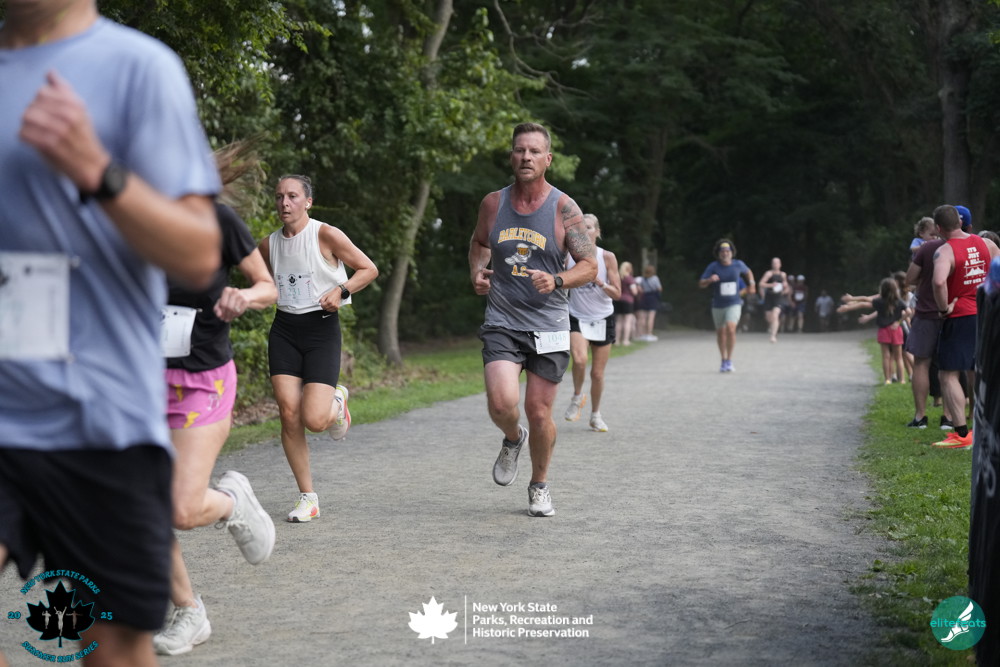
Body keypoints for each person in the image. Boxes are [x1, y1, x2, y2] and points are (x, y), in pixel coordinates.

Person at [0, 2, 222, 665]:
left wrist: (98, 170)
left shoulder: (139, 68)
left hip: (101, 420)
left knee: (114, 651)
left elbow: (199, 254)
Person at [152, 143, 278, 656]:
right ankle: (189, 612)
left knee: (182, 508)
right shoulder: (126, 222)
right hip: (139, 379)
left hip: (202, 379)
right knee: (141, 502)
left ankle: (231, 502)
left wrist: (244, 296)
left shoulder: (217, 222)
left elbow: (266, 285)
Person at [468, 122, 597, 517]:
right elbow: (479, 242)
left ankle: (539, 484)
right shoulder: (493, 204)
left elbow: (589, 266)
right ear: (512, 156)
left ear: (548, 159)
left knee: (540, 412)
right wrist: (477, 271)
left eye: (534, 151)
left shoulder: (564, 209)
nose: (526, 157)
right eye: (520, 150)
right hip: (503, 319)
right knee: (501, 402)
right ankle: (512, 437)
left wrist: (558, 279)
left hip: (550, 325)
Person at [259, 175, 378, 522]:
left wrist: (341, 291)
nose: (284, 203)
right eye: (279, 196)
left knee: (314, 419)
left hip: (321, 330)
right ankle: (307, 497)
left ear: (308, 202)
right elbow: (262, 282)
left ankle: (337, 402)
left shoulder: (325, 234)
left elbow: (369, 269)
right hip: (284, 330)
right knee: (288, 413)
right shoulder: (267, 245)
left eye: (292, 196)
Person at [929, 205, 1000, 449]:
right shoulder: (986, 244)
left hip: (960, 316)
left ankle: (961, 434)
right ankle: (987, 427)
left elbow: (939, 282)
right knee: (981, 370)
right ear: (960, 223)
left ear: (939, 228)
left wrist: (943, 309)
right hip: (987, 313)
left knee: (947, 374)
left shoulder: (945, 251)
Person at [563, 214, 621, 432]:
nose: (584, 231)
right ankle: (577, 397)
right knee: (579, 360)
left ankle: (595, 415)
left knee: (597, 373)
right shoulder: (569, 256)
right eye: (580, 227)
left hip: (603, 318)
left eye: (588, 227)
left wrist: (599, 282)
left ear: (597, 232)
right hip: (577, 316)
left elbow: (617, 293)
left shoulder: (607, 257)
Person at [904, 228, 948, 428]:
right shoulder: (966, 246)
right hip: (952, 313)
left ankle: (920, 417)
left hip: (926, 313)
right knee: (950, 367)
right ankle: (949, 418)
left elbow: (909, 279)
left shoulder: (927, 248)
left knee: (921, 363)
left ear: (938, 227)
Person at [698, 239, 755, 372]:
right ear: (718, 253)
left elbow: (748, 272)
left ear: (732, 252)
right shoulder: (713, 266)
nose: (725, 253)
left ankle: (729, 360)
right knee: (720, 333)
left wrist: (752, 283)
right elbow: (701, 284)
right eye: (722, 251)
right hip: (718, 304)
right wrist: (709, 280)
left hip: (734, 303)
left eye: (727, 251)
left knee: (730, 328)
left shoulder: (738, 264)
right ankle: (723, 360)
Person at [838, 278, 909, 385]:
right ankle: (902, 380)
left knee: (886, 356)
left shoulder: (879, 301)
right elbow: (908, 312)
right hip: (896, 330)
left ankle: (887, 380)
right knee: (898, 357)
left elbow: (865, 300)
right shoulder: (899, 301)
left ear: (882, 289)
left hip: (884, 330)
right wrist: (898, 322)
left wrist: (851, 301)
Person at [758, 257, 789, 343]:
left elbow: (786, 286)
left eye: (777, 263)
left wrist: (785, 289)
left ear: (780, 264)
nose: (775, 265)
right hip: (769, 296)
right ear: (772, 264)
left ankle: (773, 336)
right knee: (769, 317)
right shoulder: (769, 273)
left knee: (775, 315)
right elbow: (761, 283)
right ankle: (772, 326)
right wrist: (771, 285)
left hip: (778, 297)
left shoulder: (783, 274)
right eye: (774, 263)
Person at [634, 264, 663, 342]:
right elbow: (659, 288)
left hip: (644, 298)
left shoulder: (642, 279)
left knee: (642, 317)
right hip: (652, 298)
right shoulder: (655, 278)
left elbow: (641, 289)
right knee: (651, 317)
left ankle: (641, 334)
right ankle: (649, 334)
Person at [614, 261, 639, 345]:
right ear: (629, 269)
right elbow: (634, 292)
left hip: (618, 300)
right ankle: (625, 340)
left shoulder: (619, 278)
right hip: (628, 301)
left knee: (619, 321)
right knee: (627, 321)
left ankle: (617, 340)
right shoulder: (630, 278)